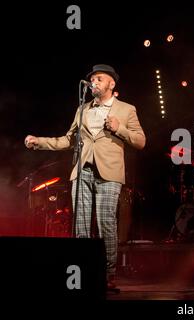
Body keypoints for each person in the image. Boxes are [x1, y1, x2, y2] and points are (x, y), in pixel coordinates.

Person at [24, 64, 146, 290]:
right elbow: (67, 141)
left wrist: (119, 128)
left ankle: (107, 275)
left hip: (109, 173)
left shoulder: (127, 109)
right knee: (80, 224)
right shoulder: (82, 110)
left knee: (106, 223)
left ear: (112, 83)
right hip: (82, 171)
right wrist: (38, 141)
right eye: (92, 79)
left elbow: (140, 141)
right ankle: (83, 273)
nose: (94, 82)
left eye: (99, 79)